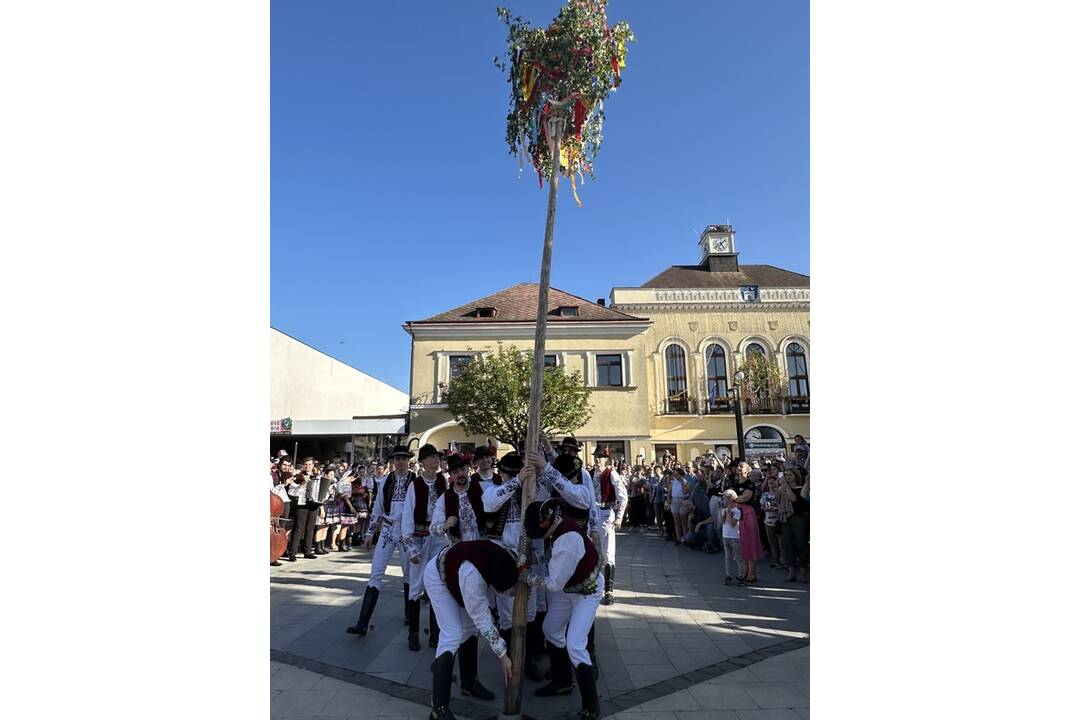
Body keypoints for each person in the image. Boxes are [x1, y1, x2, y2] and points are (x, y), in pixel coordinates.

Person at [522, 497, 602, 720]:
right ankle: (563, 682)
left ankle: (591, 708)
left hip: (587, 590)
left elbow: (554, 583)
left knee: (576, 644)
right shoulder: (558, 522)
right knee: (551, 628)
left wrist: (528, 577)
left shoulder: (566, 541)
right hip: (569, 588)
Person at [425, 539, 520, 717]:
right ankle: (439, 709)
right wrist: (502, 655)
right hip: (438, 578)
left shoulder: (503, 554)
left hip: (456, 572)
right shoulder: (472, 578)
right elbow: (483, 621)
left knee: (469, 629)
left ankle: (469, 682)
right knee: (452, 635)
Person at [482, 451, 548, 682]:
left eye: (515, 473)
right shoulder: (492, 489)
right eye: (508, 474)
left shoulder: (529, 491)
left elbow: (545, 500)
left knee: (530, 611)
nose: (511, 477)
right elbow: (490, 504)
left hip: (528, 556)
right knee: (507, 613)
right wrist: (516, 480)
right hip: (503, 559)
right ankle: (510, 661)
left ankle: (528, 659)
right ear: (501, 473)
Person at [346, 445, 415, 638]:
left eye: (403, 458)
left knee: (409, 574)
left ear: (408, 460)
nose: (400, 461)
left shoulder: (415, 481)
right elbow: (377, 508)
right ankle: (362, 622)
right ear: (393, 461)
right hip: (387, 529)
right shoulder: (386, 480)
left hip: (407, 531)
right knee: (375, 573)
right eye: (397, 458)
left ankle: (410, 615)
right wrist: (369, 533)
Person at [401, 443, 448, 651]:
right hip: (419, 538)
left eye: (437, 456)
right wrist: (410, 546)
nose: (435, 460)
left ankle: (435, 634)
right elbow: (407, 516)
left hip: (438, 538)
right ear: (422, 462)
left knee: (437, 584)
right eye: (431, 457)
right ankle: (413, 633)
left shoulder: (442, 481)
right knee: (416, 586)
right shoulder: (415, 485)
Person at [593, 447, 627, 605]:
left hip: (607, 514)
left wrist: (619, 516)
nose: (597, 460)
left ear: (606, 459)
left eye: (600, 457)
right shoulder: (592, 474)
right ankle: (593, 587)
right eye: (596, 457)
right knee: (592, 552)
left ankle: (608, 592)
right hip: (593, 515)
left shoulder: (611, 474)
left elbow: (623, 496)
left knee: (608, 553)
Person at [432, 452, 486, 543]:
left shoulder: (481, 488)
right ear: (450, 474)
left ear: (468, 469)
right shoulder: (445, 498)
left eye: (463, 469)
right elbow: (433, 530)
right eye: (455, 472)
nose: (460, 474)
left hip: (482, 544)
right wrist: (445, 526)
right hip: (458, 548)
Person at [732, 462, 765, 583]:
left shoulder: (750, 484)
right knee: (741, 543)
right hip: (736, 512)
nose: (739, 468)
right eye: (738, 466)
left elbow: (744, 498)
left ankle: (752, 573)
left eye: (741, 466)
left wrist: (733, 498)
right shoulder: (735, 483)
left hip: (747, 513)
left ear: (747, 470)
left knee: (750, 542)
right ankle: (744, 571)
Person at [777, 466, 810, 583]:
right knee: (787, 544)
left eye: (790, 474)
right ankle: (791, 571)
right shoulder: (782, 488)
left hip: (798, 517)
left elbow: (794, 499)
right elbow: (778, 500)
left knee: (801, 544)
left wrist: (786, 487)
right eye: (786, 474)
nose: (787, 477)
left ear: (795, 476)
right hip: (786, 517)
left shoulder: (800, 488)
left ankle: (804, 570)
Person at [286, 457, 319, 561]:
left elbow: (322, 489)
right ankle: (293, 553)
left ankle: (307, 551)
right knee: (298, 528)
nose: (307, 466)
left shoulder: (317, 476)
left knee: (310, 528)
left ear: (313, 465)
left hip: (314, 504)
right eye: (306, 464)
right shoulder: (297, 476)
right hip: (302, 503)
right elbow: (292, 492)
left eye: (310, 464)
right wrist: (303, 485)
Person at [719, 489, 743, 585]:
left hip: (735, 537)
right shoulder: (724, 510)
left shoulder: (736, 511)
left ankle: (741, 575)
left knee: (738, 557)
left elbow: (732, 524)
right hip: (725, 536)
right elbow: (721, 522)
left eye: (725, 498)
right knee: (727, 557)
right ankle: (728, 575)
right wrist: (723, 514)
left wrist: (729, 513)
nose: (724, 500)